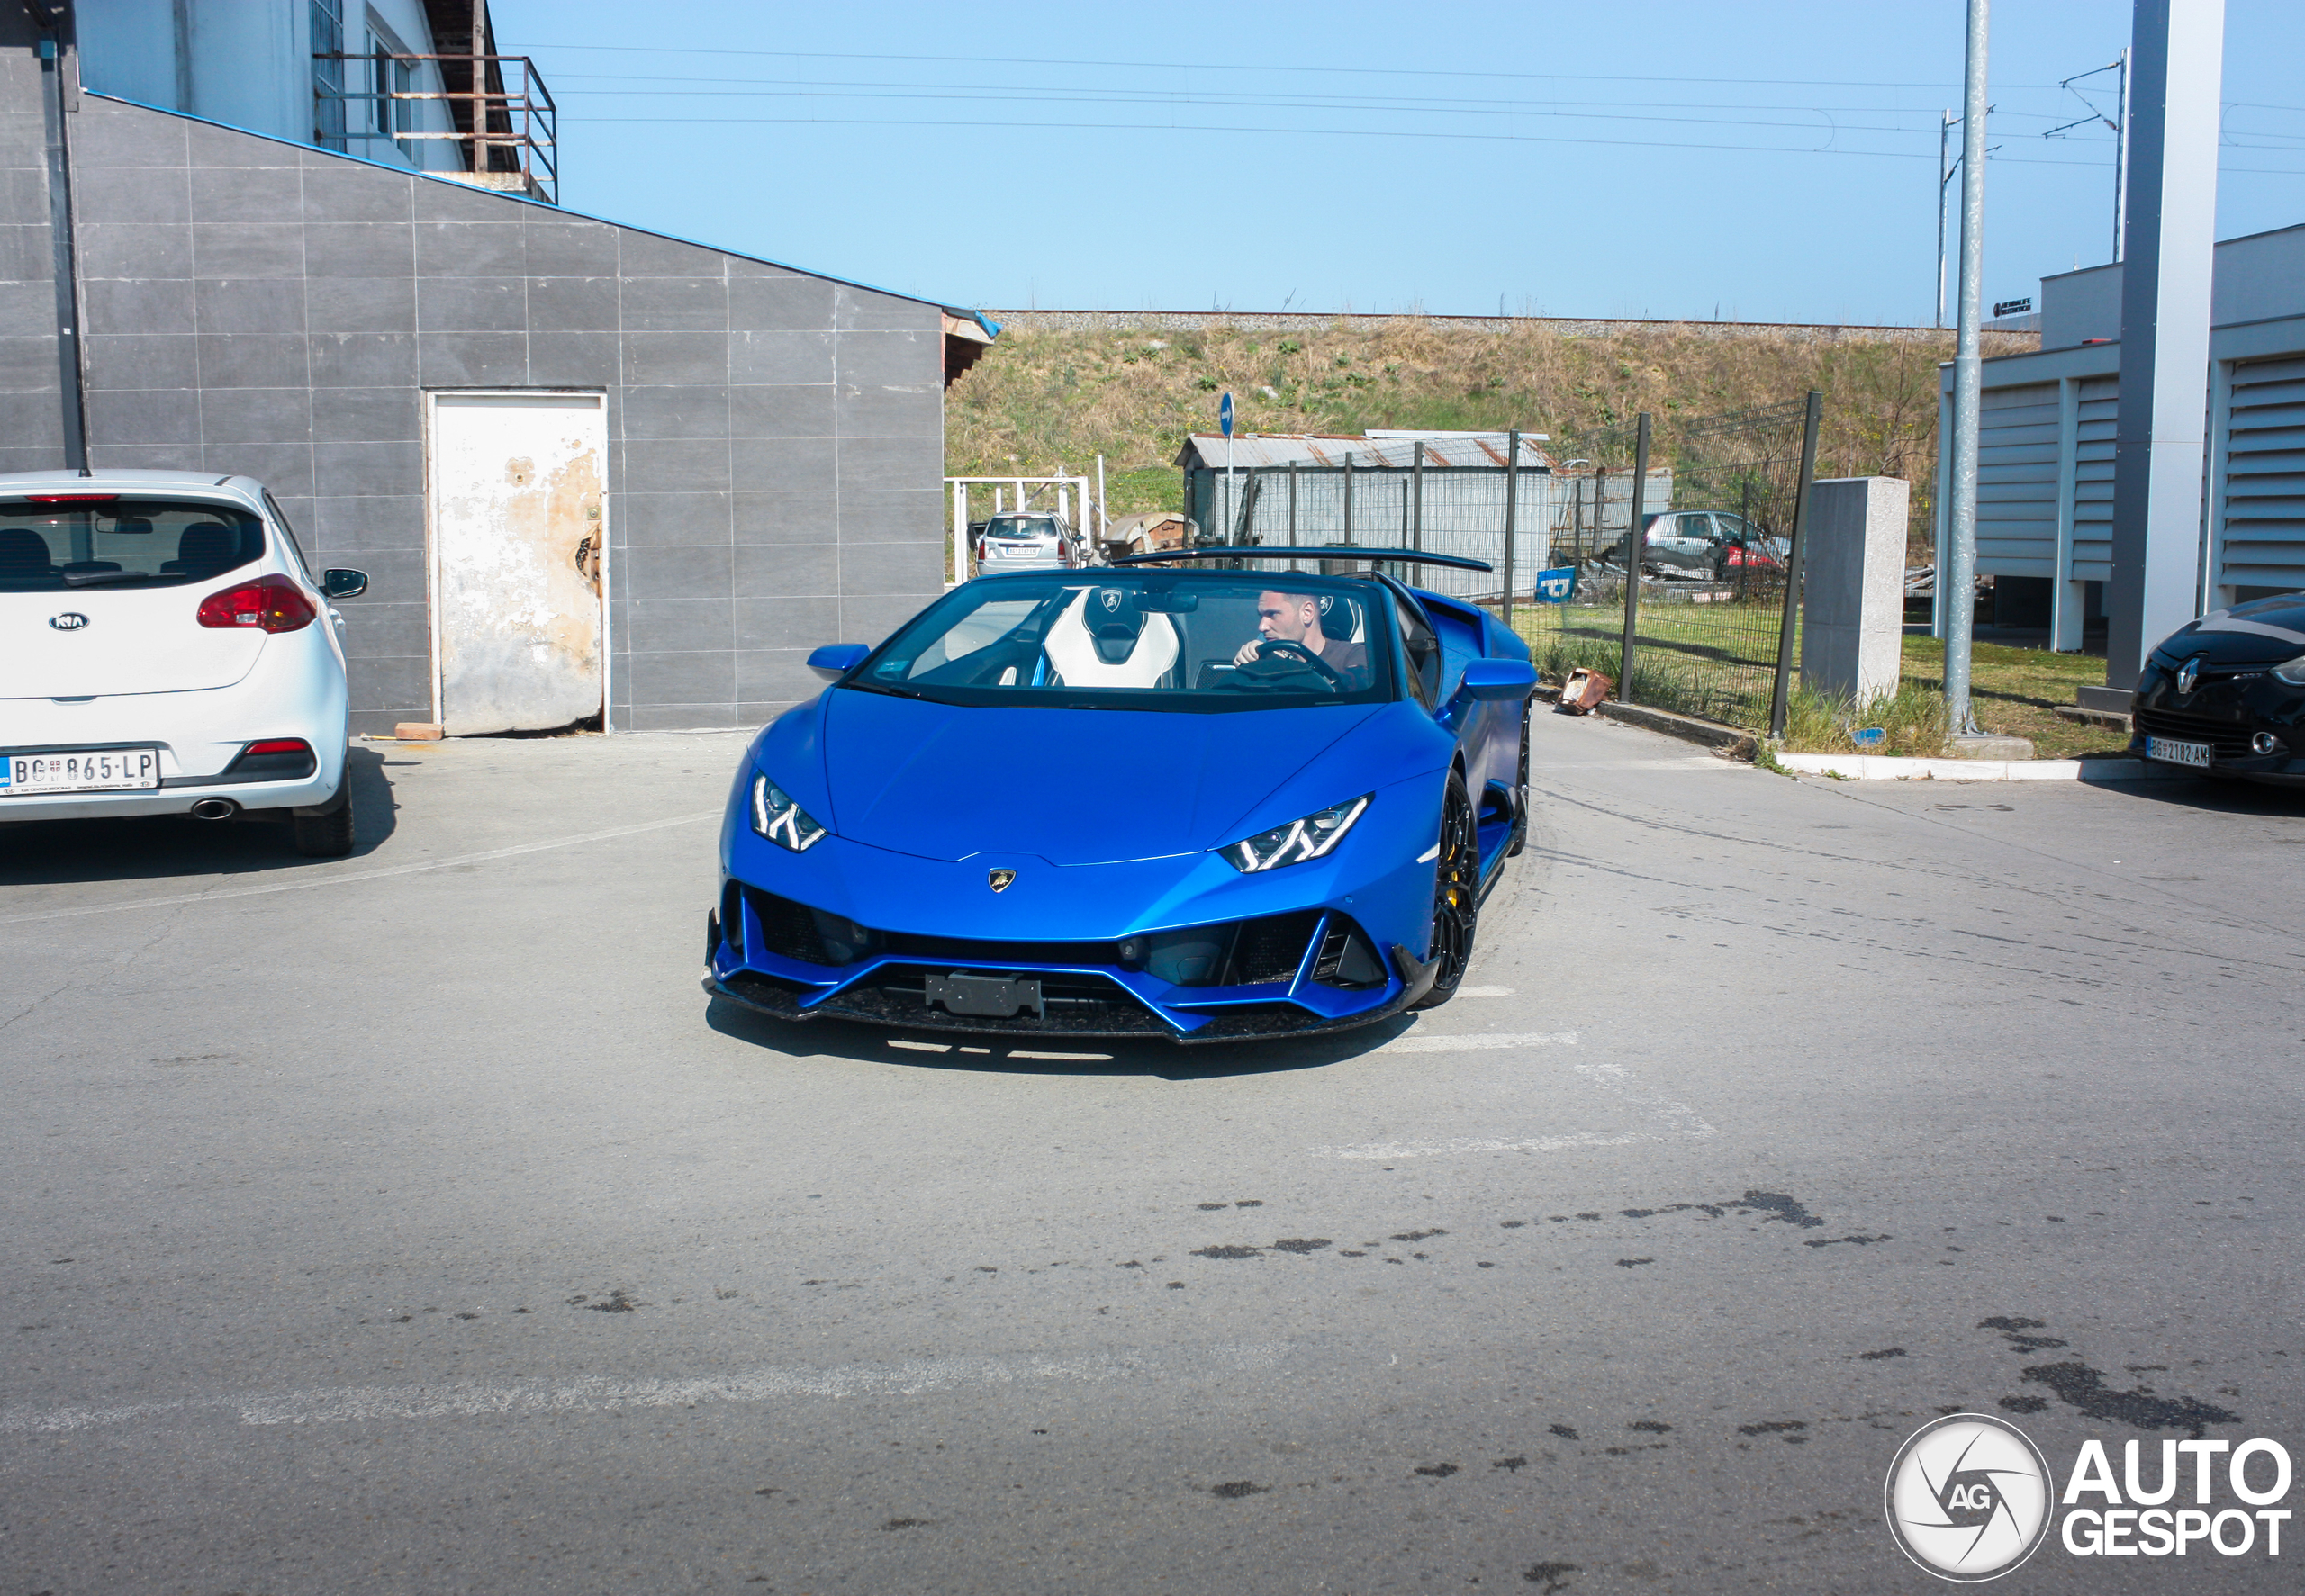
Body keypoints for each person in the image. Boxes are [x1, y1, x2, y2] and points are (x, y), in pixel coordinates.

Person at [1233, 590, 1367, 679]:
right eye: (1261, 615)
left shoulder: (1353, 655)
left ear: (1307, 613)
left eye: (1272, 614)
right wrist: (1250, 666)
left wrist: (1282, 665)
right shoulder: (1265, 659)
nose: (1262, 627)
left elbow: (1352, 695)